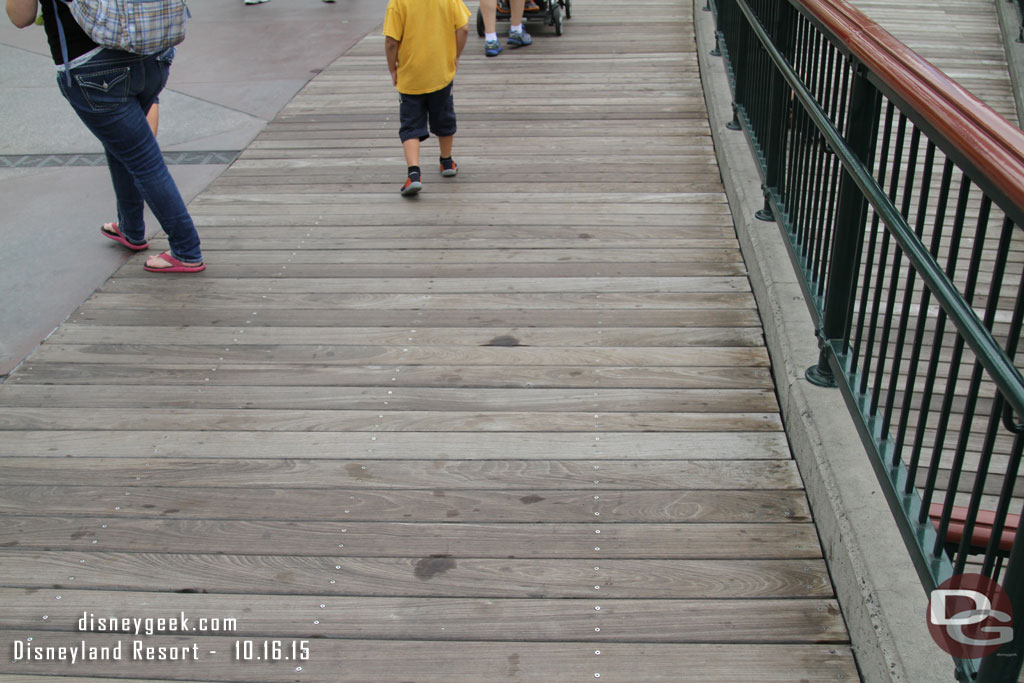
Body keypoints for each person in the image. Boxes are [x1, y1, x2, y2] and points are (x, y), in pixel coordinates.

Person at [6, 0, 205, 273]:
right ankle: (131, 228)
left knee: (143, 160)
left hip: (95, 70)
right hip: (154, 53)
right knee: (122, 144)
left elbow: (21, 17)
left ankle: (186, 249)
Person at [383, 0, 470, 196]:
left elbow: (391, 42)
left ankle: (413, 174)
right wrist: (456, 56)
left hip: (411, 76)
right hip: (440, 72)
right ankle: (447, 162)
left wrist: (392, 68)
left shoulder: (398, 2)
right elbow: (463, 28)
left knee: (411, 124)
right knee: (444, 115)